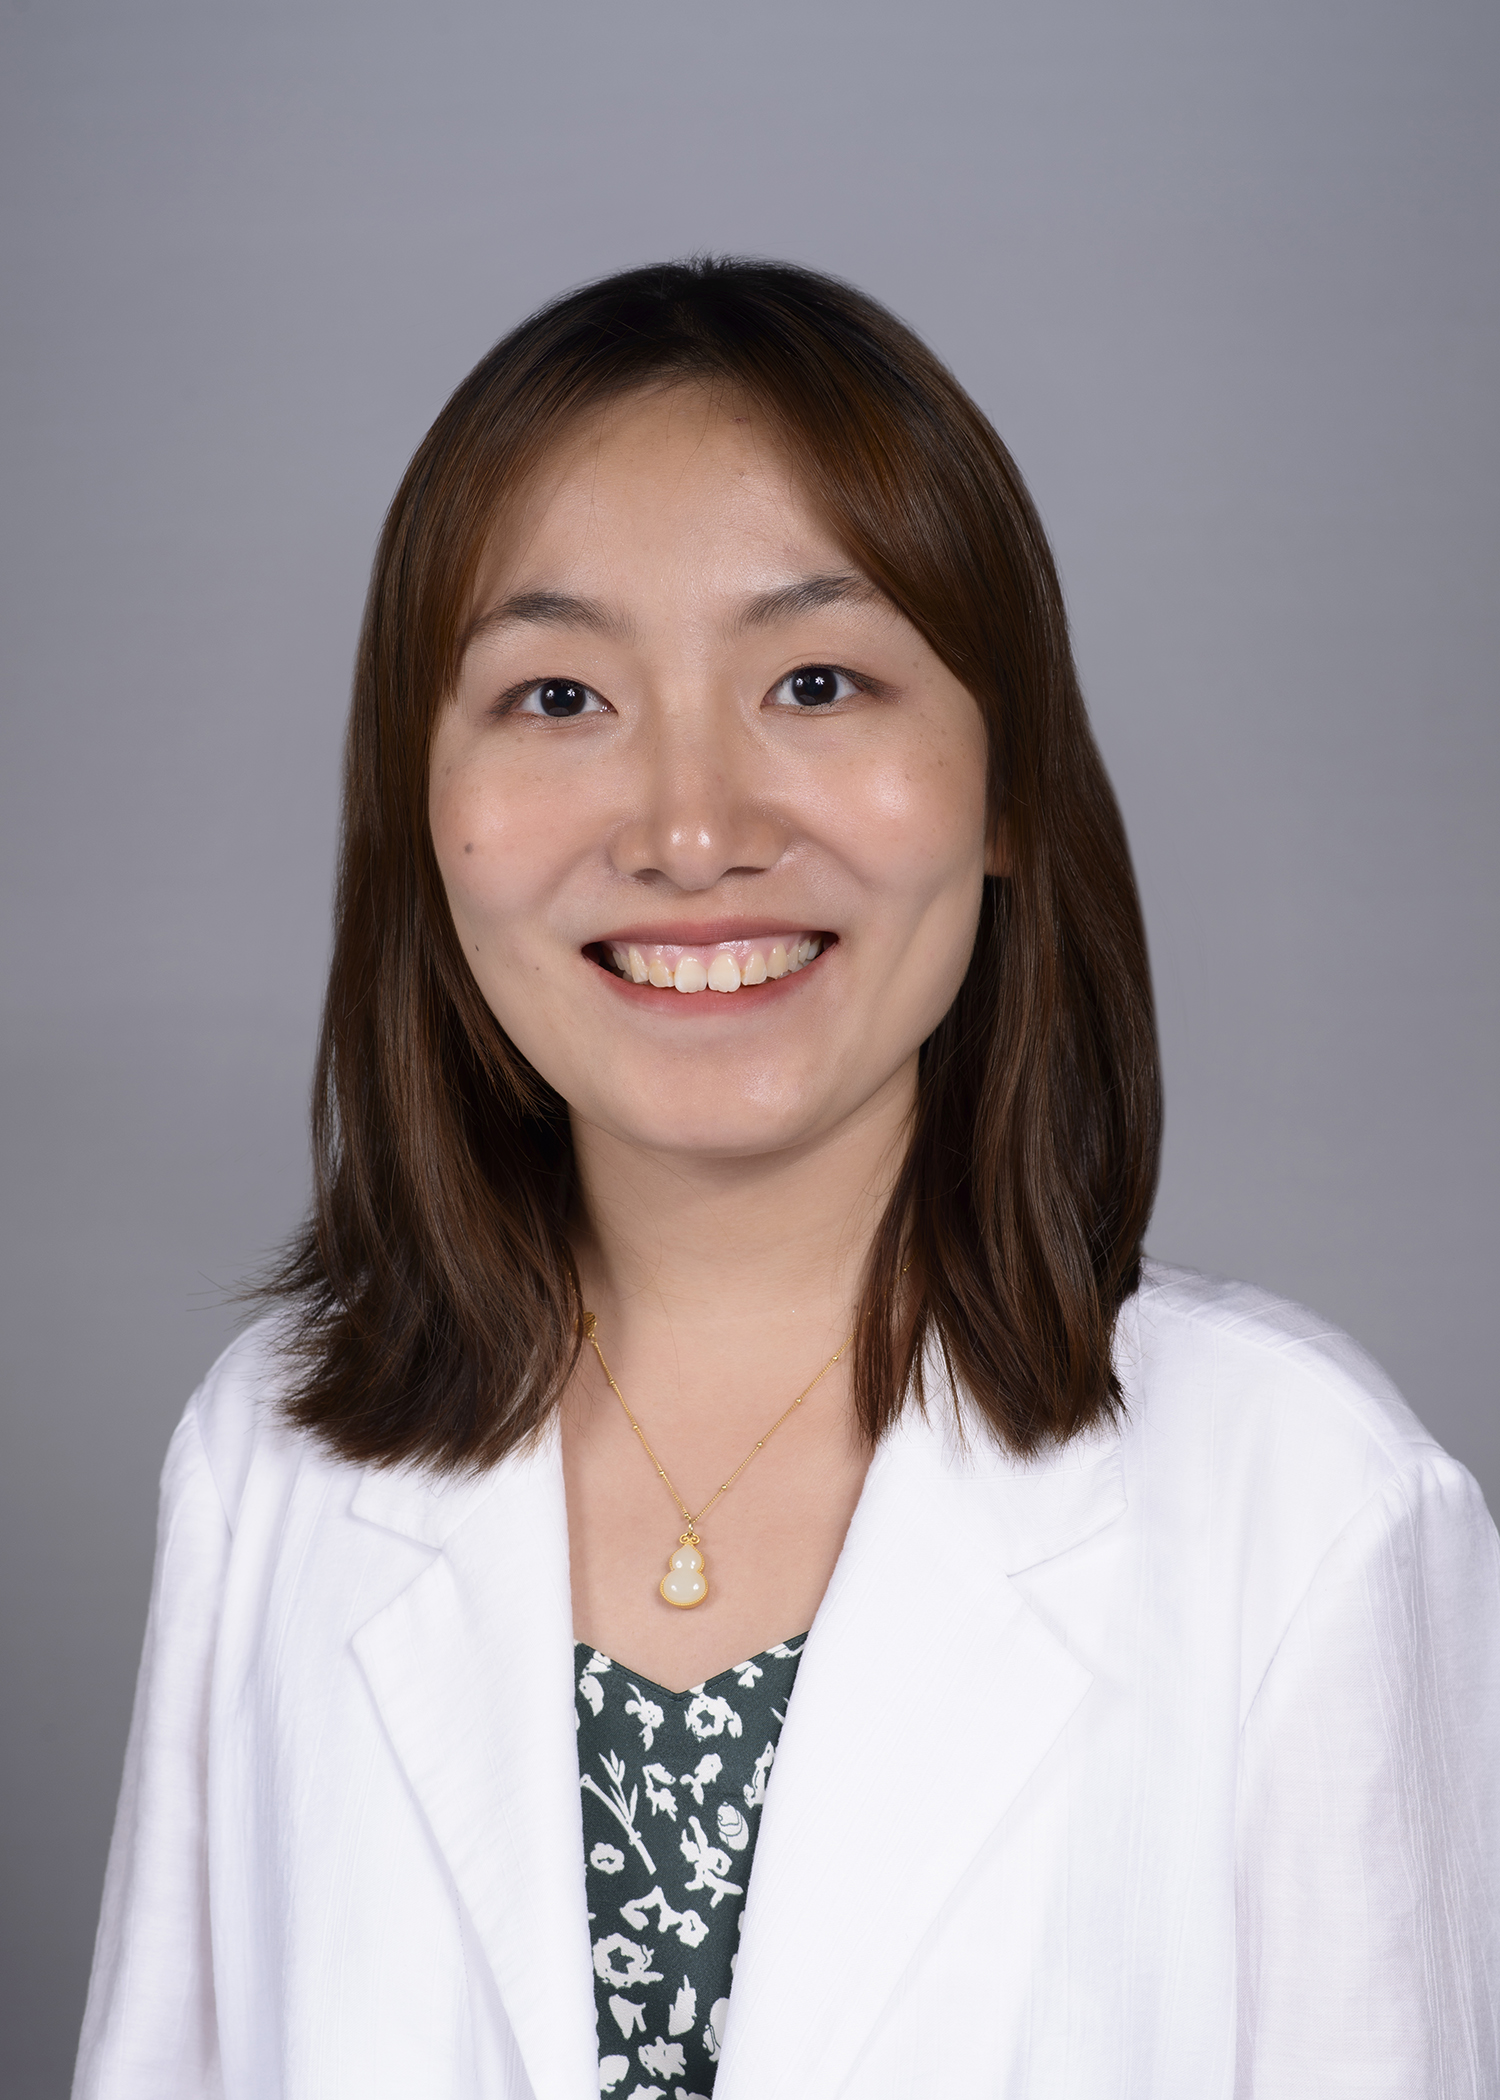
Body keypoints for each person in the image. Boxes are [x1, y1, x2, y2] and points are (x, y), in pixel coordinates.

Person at [74, 259, 1499, 2100]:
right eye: (559, 694)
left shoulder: (1310, 1504)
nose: (693, 831)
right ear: (423, 814)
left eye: (816, 683)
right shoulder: (267, 1461)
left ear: (1006, 789)